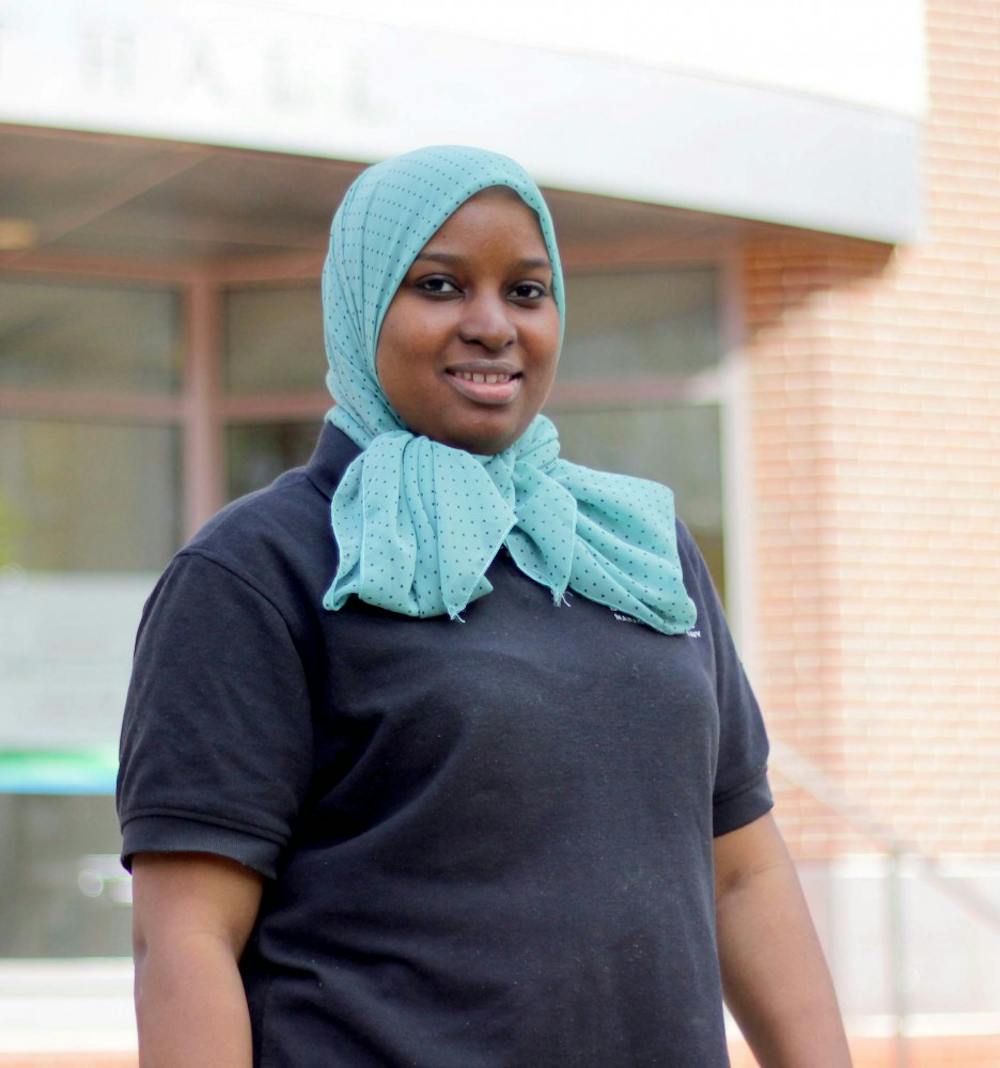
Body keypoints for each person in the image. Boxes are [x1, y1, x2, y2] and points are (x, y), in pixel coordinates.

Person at [117, 145, 852, 1067]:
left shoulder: (634, 545)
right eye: (438, 285)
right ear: (358, 307)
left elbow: (740, 872)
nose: (492, 325)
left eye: (527, 291)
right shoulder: (259, 569)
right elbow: (185, 940)